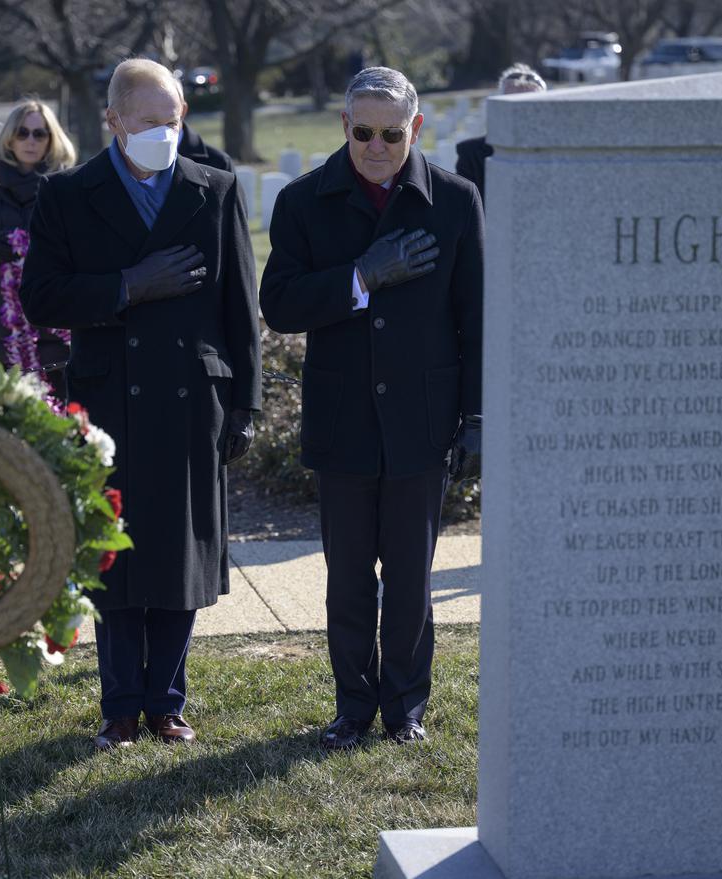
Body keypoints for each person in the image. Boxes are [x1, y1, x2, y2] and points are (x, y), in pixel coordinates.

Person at [20, 58, 261, 749]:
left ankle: (167, 702)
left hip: (193, 397)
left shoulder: (213, 187)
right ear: (114, 121)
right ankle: (120, 704)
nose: (164, 131)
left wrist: (244, 401)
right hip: (109, 401)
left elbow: (238, 305)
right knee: (118, 561)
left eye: (174, 118)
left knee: (181, 558)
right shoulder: (68, 194)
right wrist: (126, 285)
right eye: (150, 120)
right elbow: (41, 294)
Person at [260, 67, 483, 749]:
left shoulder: (453, 198)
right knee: (348, 578)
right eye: (362, 132)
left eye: (392, 133)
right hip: (343, 418)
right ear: (345, 128)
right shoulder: (304, 201)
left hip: (423, 417)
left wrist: (476, 418)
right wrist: (359, 277)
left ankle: (406, 705)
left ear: (414, 129)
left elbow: (474, 317)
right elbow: (281, 303)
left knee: (411, 580)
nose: (376, 146)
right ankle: (353, 705)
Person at [0, 99, 74, 373]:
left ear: (51, 139)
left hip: (55, 325)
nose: (30, 140)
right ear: (9, 139)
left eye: (39, 133)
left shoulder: (68, 190)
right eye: (22, 132)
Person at [455, 63, 545, 203]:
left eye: (528, 104)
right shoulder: (471, 154)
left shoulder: (557, 153)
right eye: (511, 103)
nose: (519, 112)